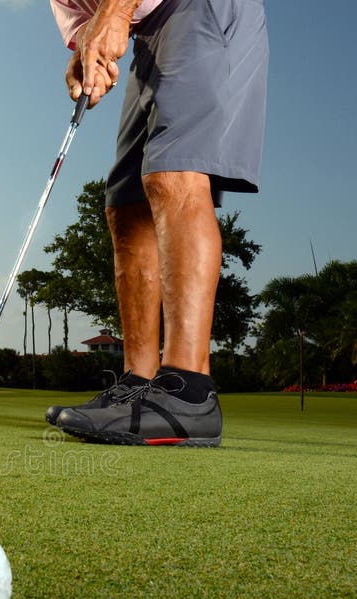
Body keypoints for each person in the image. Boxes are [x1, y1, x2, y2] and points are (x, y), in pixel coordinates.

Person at [46, 0, 268, 446]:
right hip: (148, 30)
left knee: (173, 171)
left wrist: (113, 14)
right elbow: (95, 30)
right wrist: (86, 57)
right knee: (125, 205)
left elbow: (113, 16)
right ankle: (137, 383)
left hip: (198, 7)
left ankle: (188, 391)